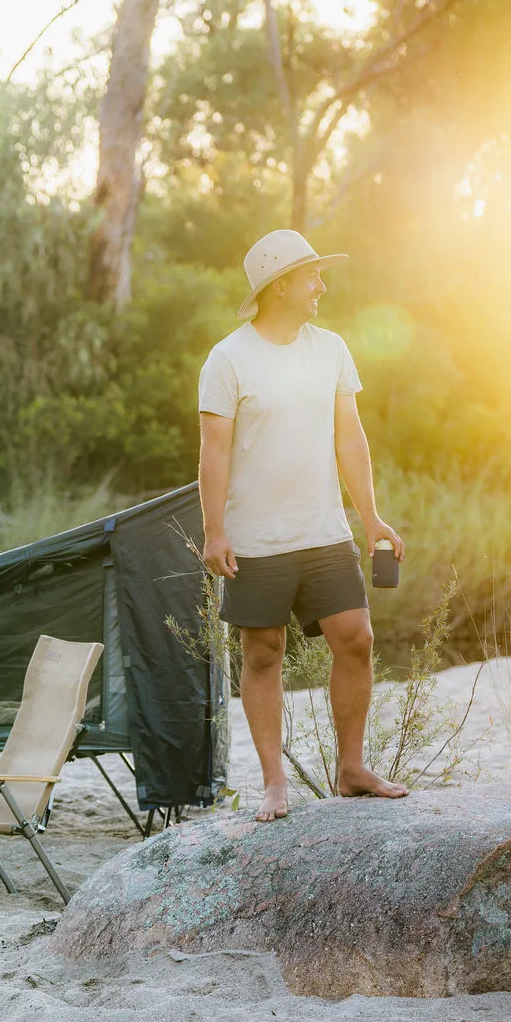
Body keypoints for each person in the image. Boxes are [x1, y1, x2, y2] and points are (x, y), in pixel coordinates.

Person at [198, 229, 407, 822]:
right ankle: (273, 783)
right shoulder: (228, 359)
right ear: (280, 285)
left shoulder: (332, 349)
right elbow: (213, 451)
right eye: (311, 275)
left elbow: (350, 437)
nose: (322, 284)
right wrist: (215, 531)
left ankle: (351, 768)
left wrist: (370, 519)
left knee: (357, 639)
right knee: (263, 652)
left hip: (325, 533)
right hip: (257, 539)